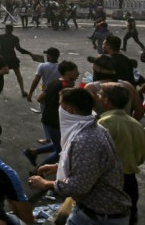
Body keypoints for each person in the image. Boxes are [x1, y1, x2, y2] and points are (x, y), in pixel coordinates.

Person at [29, 87, 131, 224]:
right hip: (94, 211)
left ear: (70, 110)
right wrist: (58, 167)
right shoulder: (92, 128)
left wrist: (45, 184)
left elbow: (79, 186)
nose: (59, 109)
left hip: (100, 217)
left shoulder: (85, 139)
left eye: (61, 105)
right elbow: (90, 166)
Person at [97, 83, 145, 225]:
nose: (97, 97)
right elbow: (141, 156)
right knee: (128, 216)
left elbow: (96, 154)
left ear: (107, 101)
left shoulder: (105, 122)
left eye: (100, 95)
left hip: (110, 182)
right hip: (130, 181)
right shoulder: (135, 124)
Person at [22, 60, 79, 169]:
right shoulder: (66, 87)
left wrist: (51, 107)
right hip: (56, 122)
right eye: (76, 71)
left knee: (60, 143)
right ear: (68, 72)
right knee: (60, 152)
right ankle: (38, 170)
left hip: (48, 119)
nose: (78, 73)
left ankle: (33, 152)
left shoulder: (54, 82)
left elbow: (40, 98)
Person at [0, 24, 31, 98]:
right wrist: (29, 53)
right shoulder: (14, 38)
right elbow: (19, 49)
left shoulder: (0, 37)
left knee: (0, 74)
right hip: (12, 58)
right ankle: (22, 91)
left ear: (5, 29)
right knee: (18, 74)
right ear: (12, 30)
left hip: (3, 58)